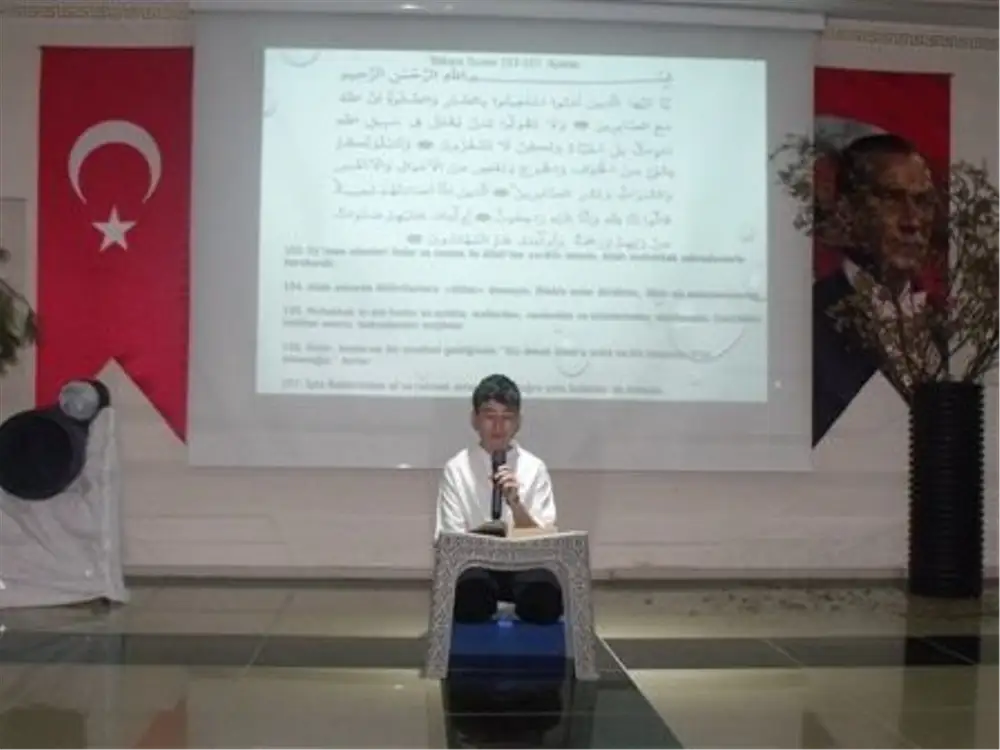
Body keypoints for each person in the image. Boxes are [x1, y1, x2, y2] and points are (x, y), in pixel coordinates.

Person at [812, 133, 938, 445]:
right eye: (891, 199)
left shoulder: (952, 327)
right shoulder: (804, 322)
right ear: (847, 212)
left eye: (923, 202)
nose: (912, 222)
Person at [435, 374, 563, 625]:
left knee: (544, 598)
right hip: (475, 564)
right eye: (490, 416)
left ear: (518, 423)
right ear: (475, 420)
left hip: (524, 563)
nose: (498, 426)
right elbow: (449, 538)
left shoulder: (534, 468)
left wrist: (516, 503)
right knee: (471, 597)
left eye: (507, 417)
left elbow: (545, 539)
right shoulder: (456, 468)